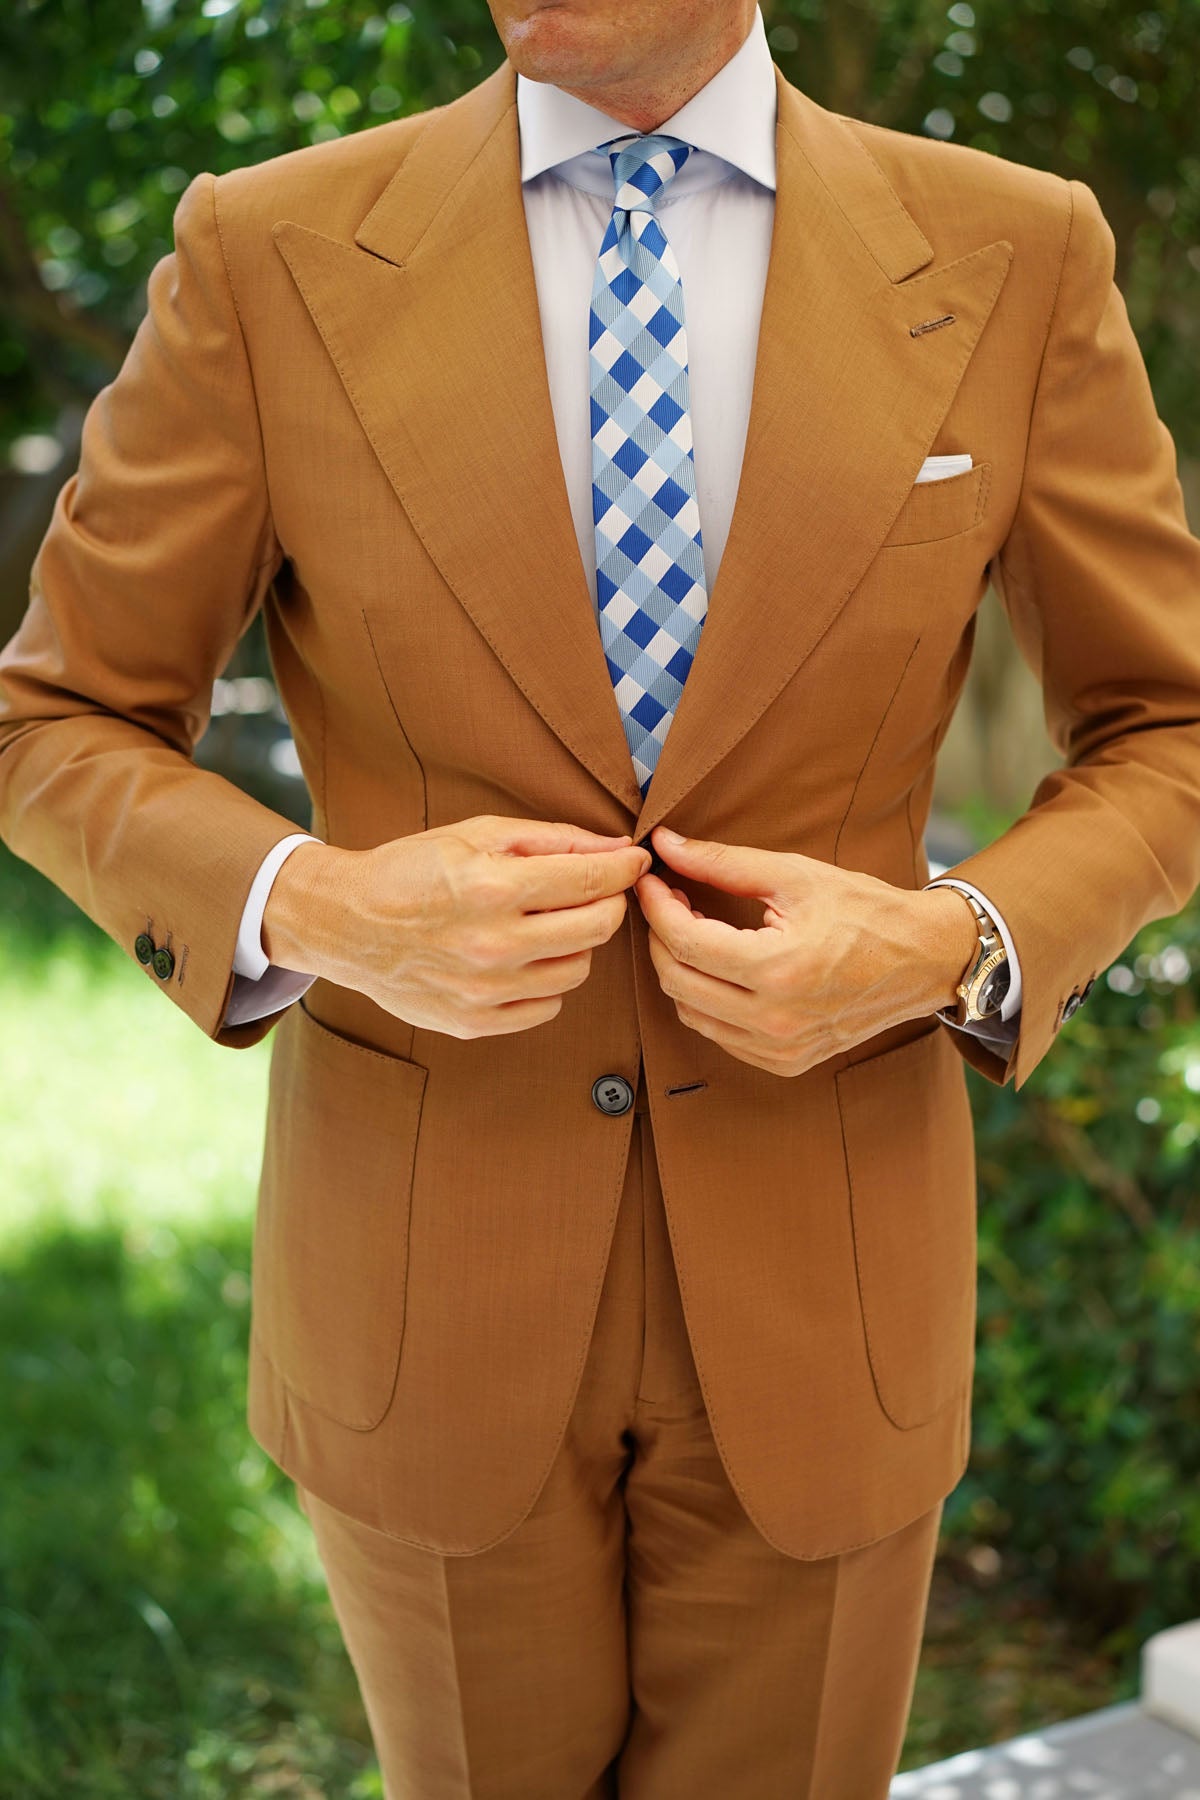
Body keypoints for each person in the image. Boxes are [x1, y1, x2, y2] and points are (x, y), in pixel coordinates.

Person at [3, 0, 1200, 1792]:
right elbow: (59, 717)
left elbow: (1168, 722)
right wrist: (317, 907)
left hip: (832, 1277)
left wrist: (954, 940)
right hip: (427, 1279)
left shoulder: (1017, 250)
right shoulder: (266, 250)